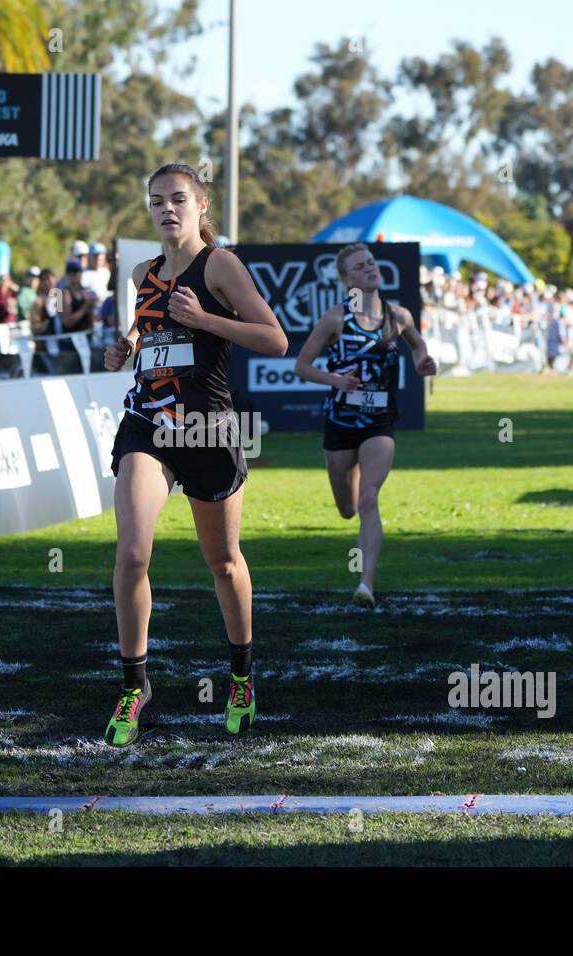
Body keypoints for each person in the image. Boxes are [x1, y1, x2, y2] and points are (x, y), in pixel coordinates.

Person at [99, 162, 287, 746]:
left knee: (224, 561)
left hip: (206, 428)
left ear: (201, 206)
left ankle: (241, 676)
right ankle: (135, 686)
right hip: (148, 423)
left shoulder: (221, 265)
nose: (166, 210)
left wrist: (206, 319)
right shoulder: (141, 272)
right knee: (131, 553)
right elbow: (146, 327)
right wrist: (126, 346)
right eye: (156, 201)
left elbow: (276, 339)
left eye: (178, 199)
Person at [295, 243, 436, 608]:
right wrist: (335, 380)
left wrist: (423, 362)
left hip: (380, 420)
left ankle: (366, 587)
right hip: (340, 421)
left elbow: (419, 347)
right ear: (347, 279)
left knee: (369, 498)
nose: (370, 268)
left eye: (372, 262)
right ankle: (351, 491)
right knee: (348, 508)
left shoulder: (399, 316)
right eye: (361, 266)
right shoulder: (335, 319)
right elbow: (302, 366)